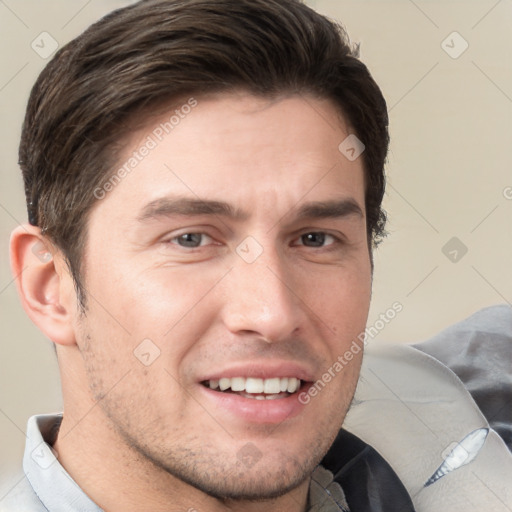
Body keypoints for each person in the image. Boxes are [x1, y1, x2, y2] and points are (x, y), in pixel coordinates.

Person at [3, 0, 511, 511]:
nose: (272, 314)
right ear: (50, 288)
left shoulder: (460, 404)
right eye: (191, 239)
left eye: (315, 239)